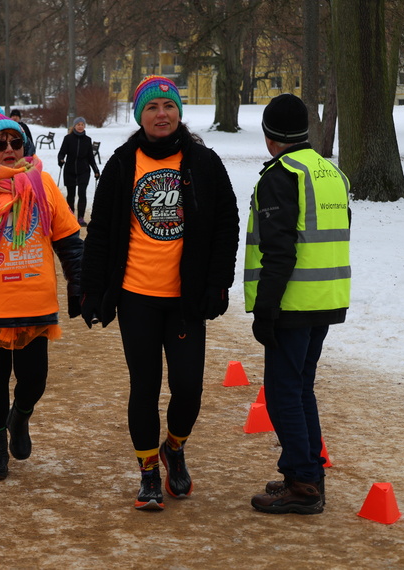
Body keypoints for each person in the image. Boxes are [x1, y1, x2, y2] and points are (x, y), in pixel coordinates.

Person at [80, 76, 239, 511]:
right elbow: (101, 231)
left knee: (188, 388)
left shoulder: (203, 162)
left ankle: (175, 446)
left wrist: (218, 283)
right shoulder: (122, 163)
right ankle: (149, 471)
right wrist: (91, 289)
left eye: (168, 106)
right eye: (151, 108)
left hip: (186, 299)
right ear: (140, 116)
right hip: (137, 296)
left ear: (179, 113)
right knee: (144, 387)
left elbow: (226, 224)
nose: (161, 114)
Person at [245, 93, 351, 515]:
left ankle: (303, 483)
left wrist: (265, 309)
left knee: (282, 394)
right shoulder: (330, 172)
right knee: (300, 388)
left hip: (293, 304)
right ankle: (306, 474)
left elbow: (279, 250)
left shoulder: (281, 175)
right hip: (326, 298)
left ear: (270, 137)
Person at [0, 105, 83, 480]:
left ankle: (20, 417)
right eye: (0, 143)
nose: (9, 149)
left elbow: (68, 238)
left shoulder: (42, 183)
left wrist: (79, 283)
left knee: (34, 380)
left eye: (16, 142)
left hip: (35, 298)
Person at [57, 116, 100, 226]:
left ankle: (81, 218)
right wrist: (61, 160)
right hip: (70, 170)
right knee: (71, 195)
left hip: (83, 171)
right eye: (78, 124)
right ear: (74, 126)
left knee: (82, 193)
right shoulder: (68, 139)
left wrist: (96, 170)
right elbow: (62, 152)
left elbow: (90, 157)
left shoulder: (87, 140)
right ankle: (71, 216)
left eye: (82, 125)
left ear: (84, 126)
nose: (80, 127)